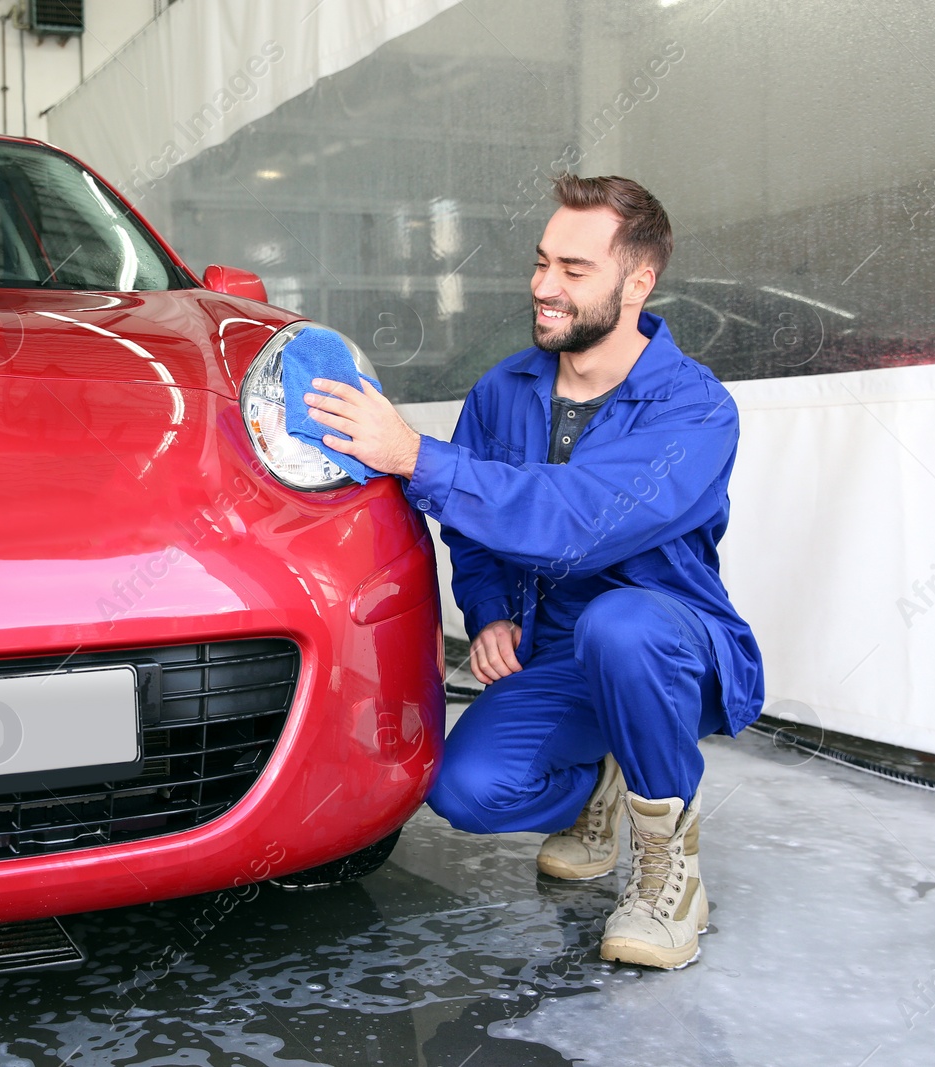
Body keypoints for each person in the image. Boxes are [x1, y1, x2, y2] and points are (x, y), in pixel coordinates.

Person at [302, 174, 764, 970]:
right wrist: (487, 612)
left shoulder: (695, 409)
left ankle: (669, 875)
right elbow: (472, 534)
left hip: (666, 643)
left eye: (574, 270)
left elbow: (583, 520)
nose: (544, 287)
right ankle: (600, 784)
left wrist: (412, 453)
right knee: (465, 791)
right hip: (554, 654)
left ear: (638, 281)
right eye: (542, 261)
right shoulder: (502, 390)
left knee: (620, 626)